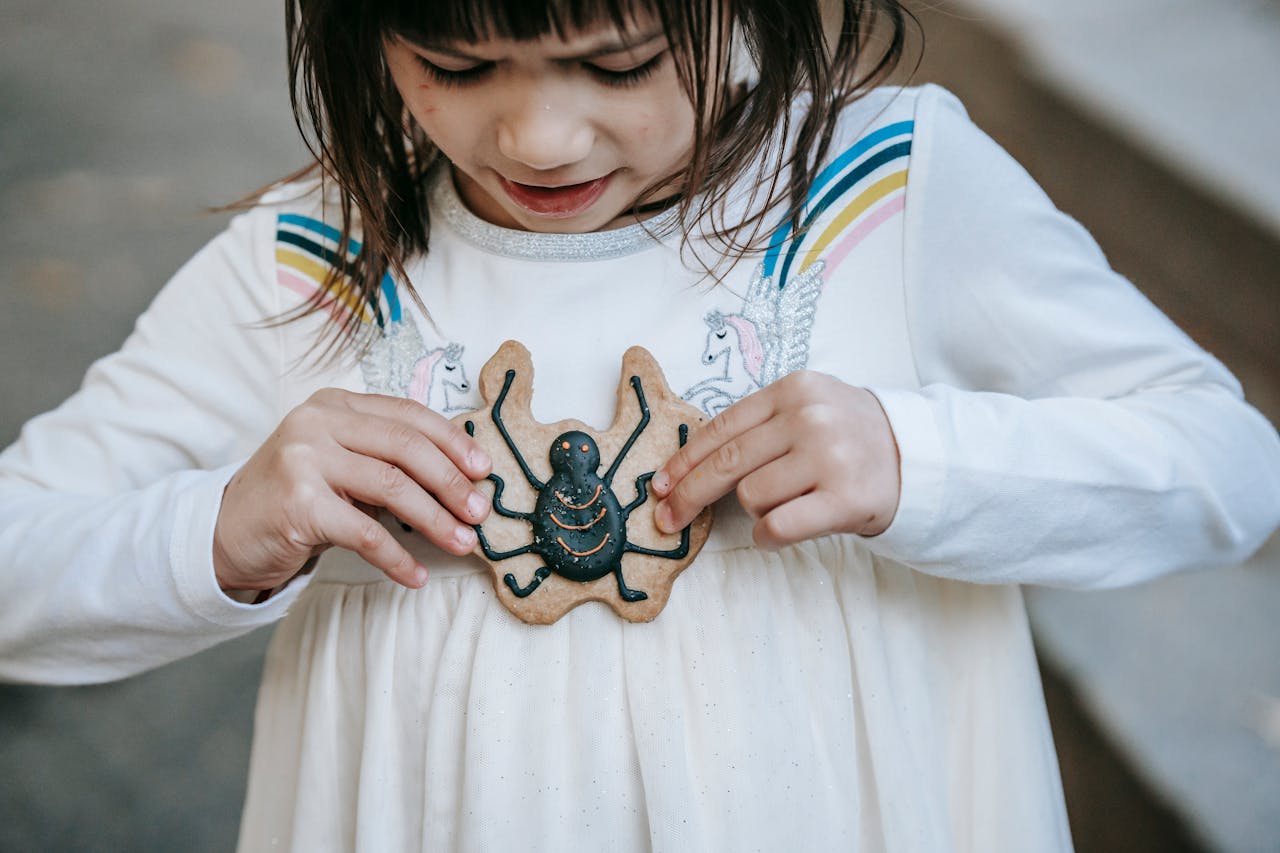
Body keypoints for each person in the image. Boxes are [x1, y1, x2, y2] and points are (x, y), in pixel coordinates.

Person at [2, 0, 1278, 849]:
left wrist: (920, 457)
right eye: (450, 65)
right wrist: (223, 531)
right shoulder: (311, 264)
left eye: (614, 62)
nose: (536, 134)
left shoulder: (881, 196)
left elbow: (1225, 462)